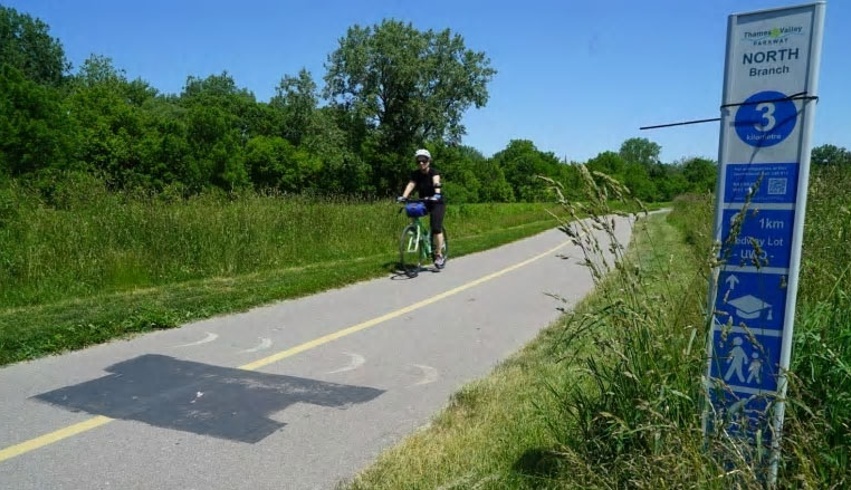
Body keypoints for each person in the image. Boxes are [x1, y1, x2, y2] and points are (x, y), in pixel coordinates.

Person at [397, 148, 446, 269]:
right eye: (418, 161)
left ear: (429, 161)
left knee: (436, 227)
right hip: (424, 201)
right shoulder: (415, 174)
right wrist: (404, 197)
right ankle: (420, 236)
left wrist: (437, 194)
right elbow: (411, 185)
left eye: (423, 160)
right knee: (412, 211)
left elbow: (436, 183)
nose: (421, 163)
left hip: (437, 202)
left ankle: (439, 255)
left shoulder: (434, 172)